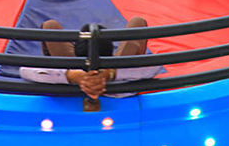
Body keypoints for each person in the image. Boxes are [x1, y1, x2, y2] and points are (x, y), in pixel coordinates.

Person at [20, 17, 162, 99]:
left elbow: (25, 70)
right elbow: (155, 66)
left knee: (50, 26)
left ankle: (77, 66)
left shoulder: (59, 76)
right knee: (137, 23)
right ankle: (104, 66)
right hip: (114, 75)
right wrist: (109, 74)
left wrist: (73, 76)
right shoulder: (126, 81)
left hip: (71, 77)